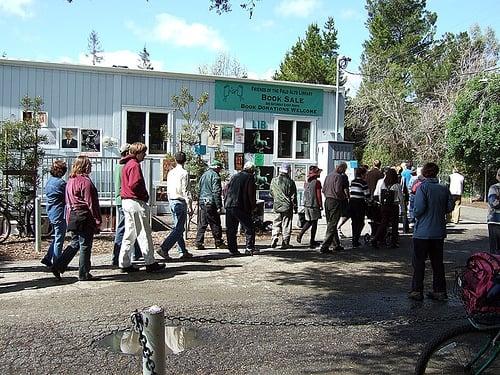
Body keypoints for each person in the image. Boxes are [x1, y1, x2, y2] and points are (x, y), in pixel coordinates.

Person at [408, 162, 454, 301]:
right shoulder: (444, 188)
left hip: (422, 231)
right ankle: (439, 291)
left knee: (419, 262)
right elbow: (449, 207)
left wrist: (414, 214)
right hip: (438, 231)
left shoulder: (423, 188)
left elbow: (419, 209)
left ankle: (417, 290)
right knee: (438, 263)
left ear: (425, 173)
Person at [51, 156, 101, 281]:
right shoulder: (85, 182)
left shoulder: (70, 181)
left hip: (72, 214)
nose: (91, 167)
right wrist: (97, 219)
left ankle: (58, 265)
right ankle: (84, 273)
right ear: (85, 166)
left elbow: (67, 201)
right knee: (85, 245)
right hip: (84, 215)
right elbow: (91, 203)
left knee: (74, 243)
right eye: (89, 164)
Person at [119, 143, 165, 273]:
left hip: (126, 201)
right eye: (143, 153)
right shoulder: (134, 165)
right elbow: (135, 184)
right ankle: (150, 262)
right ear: (138, 153)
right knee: (144, 232)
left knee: (130, 233)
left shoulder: (127, 164)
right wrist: (144, 195)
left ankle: (124, 262)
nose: (144, 155)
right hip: (135, 201)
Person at [157, 152, 193, 260]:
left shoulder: (171, 173)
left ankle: (182, 250)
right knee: (179, 229)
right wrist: (190, 205)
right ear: (185, 160)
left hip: (172, 200)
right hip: (180, 201)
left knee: (177, 227)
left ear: (175, 160)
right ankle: (164, 248)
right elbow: (185, 190)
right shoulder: (184, 173)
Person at [112, 143, 142, 266]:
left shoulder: (118, 166)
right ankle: (117, 256)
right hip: (125, 199)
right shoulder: (125, 166)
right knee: (125, 228)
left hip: (121, 198)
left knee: (130, 227)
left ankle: (138, 252)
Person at [224, 161, 257, 255]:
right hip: (240, 205)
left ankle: (232, 250)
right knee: (249, 226)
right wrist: (253, 206)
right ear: (251, 170)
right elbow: (251, 194)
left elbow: (226, 189)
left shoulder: (235, 176)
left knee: (231, 229)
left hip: (229, 204)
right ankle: (249, 248)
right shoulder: (249, 177)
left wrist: (225, 202)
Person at [41, 160, 67, 267]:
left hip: (51, 211)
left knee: (56, 236)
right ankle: (57, 262)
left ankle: (48, 257)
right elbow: (67, 196)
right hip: (59, 212)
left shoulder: (49, 181)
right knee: (59, 239)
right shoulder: (61, 183)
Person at [195, 160, 227, 250]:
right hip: (211, 202)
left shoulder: (204, 175)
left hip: (202, 201)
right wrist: (219, 206)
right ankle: (218, 242)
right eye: (220, 168)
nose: (220, 170)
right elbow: (216, 192)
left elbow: (198, 188)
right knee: (215, 223)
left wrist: (199, 200)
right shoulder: (216, 176)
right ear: (217, 167)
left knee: (202, 223)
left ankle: (198, 242)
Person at [320, 162, 349, 254]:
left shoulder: (328, 176)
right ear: (340, 168)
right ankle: (325, 246)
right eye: (344, 169)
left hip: (327, 200)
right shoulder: (339, 177)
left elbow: (323, 189)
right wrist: (344, 197)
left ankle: (336, 244)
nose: (344, 171)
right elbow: (338, 190)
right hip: (335, 201)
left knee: (330, 223)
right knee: (332, 224)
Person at [372, 168, 403, 248]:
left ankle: (375, 238)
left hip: (384, 206)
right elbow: (401, 198)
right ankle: (393, 242)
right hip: (394, 206)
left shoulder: (382, 183)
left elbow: (378, 194)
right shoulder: (396, 185)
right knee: (394, 224)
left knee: (383, 223)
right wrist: (403, 209)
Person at [270, 163, 297, 250]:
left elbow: (271, 193)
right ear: (288, 171)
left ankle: (274, 236)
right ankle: (285, 242)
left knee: (276, 222)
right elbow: (293, 196)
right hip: (287, 206)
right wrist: (295, 207)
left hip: (277, 205)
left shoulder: (274, 180)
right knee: (286, 224)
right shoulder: (291, 182)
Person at [297, 166, 323, 248]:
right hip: (314, 204)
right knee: (313, 222)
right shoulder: (317, 182)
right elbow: (318, 195)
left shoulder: (306, 182)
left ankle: (306, 237)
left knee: (310, 221)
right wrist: (320, 204)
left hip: (307, 204)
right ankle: (311, 240)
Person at [349, 167, 370, 248]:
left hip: (352, 202)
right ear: (362, 174)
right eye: (365, 174)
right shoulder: (363, 183)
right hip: (360, 203)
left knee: (354, 222)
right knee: (360, 222)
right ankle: (356, 239)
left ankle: (354, 239)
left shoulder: (353, 182)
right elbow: (367, 195)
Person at [487, 168, 500, 254]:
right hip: (495, 221)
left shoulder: (494, 188)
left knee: (495, 250)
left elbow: (494, 204)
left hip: (495, 221)